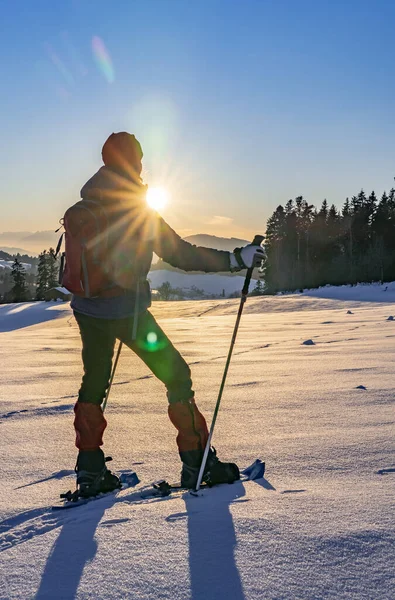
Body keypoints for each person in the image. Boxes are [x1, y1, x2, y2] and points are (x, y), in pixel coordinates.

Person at [66, 132, 265, 497]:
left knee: (94, 382)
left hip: (87, 310)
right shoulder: (136, 210)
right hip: (129, 314)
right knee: (177, 375)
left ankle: (89, 472)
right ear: (135, 163)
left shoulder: (86, 205)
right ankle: (197, 463)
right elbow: (181, 254)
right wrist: (236, 259)